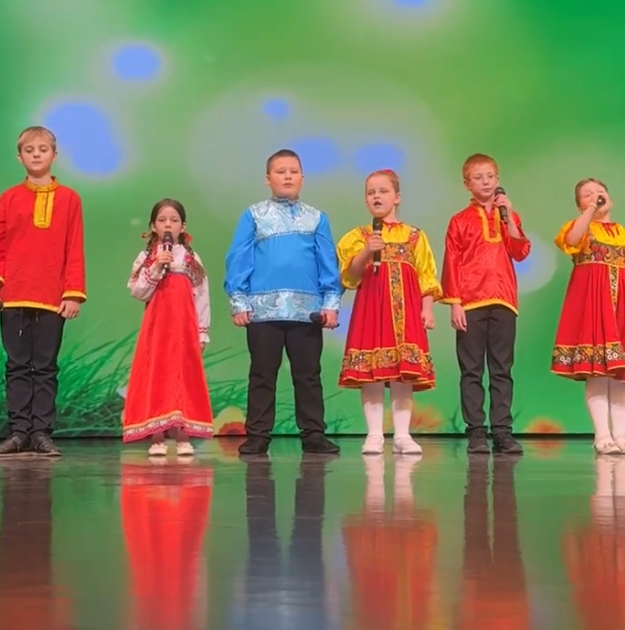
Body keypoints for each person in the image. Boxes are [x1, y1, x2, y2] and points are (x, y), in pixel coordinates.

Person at [224, 149, 342, 455]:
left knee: (308, 375)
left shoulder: (316, 218)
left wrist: (331, 303)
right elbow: (239, 258)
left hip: (308, 312)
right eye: (280, 171)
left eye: (293, 171)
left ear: (302, 177)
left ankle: (313, 434)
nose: (287, 176)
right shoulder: (254, 215)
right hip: (263, 312)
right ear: (268, 179)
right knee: (262, 374)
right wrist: (239, 301)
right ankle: (258, 435)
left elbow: (328, 263)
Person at [0, 125, 86, 459]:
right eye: (30, 150)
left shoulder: (69, 198)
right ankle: (18, 433)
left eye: (43, 149)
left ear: (54, 155)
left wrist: (72, 293)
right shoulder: (9, 198)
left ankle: (41, 432)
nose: (36, 154)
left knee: (45, 367)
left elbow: (74, 248)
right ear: (19, 157)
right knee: (16, 366)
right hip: (13, 296)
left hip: (53, 297)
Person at [337, 169, 441, 454]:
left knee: (402, 373)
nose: (377, 196)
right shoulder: (358, 236)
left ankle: (402, 435)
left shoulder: (415, 236)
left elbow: (426, 276)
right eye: (371, 193)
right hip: (372, 307)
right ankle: (374, 434)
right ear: (365, 200)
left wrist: (427, 309)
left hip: (406, 311)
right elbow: (350, 276)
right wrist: (366, 251)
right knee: (370, 372)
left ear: (397, 197)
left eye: (383, 191)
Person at [441, 153, 531, 454]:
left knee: (502, 369)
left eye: (491, 176)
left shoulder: (509, 217)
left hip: (504, 300)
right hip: (470, 302)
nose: (486, 182)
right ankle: (476, 431)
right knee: (471, 370)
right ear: (467, 184)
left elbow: (520, 252)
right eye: (479, 177)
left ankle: (502, 431)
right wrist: (455, 303)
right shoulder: (459, 221)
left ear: (498, 179)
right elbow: (451, 262)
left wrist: (510, 217)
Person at [122, 198, 213, 456]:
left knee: (183, 377)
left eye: (174, 220)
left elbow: (202, 295)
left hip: (184, 328)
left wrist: (202, 331)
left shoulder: (191, 258)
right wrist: (156, 266)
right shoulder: (147, 257)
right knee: (157, 375)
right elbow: (138, 291)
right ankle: (157, 436)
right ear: (153, 226)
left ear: (183, 226)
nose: (168, 225)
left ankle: (183, 434)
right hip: (157, 330)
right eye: (162, 220)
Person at [551, 178, 625, 453]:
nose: (595, 196)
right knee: (597, 371)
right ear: (579, 204)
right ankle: (602, 435)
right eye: (587, 194)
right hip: (594, 303)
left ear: (611, 198)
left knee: (620, 375)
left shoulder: (622, 232)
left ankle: (622, 434)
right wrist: (590, 211)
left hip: (621, 306)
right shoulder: (579, 227)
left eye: (600, 192)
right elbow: (571, 241)